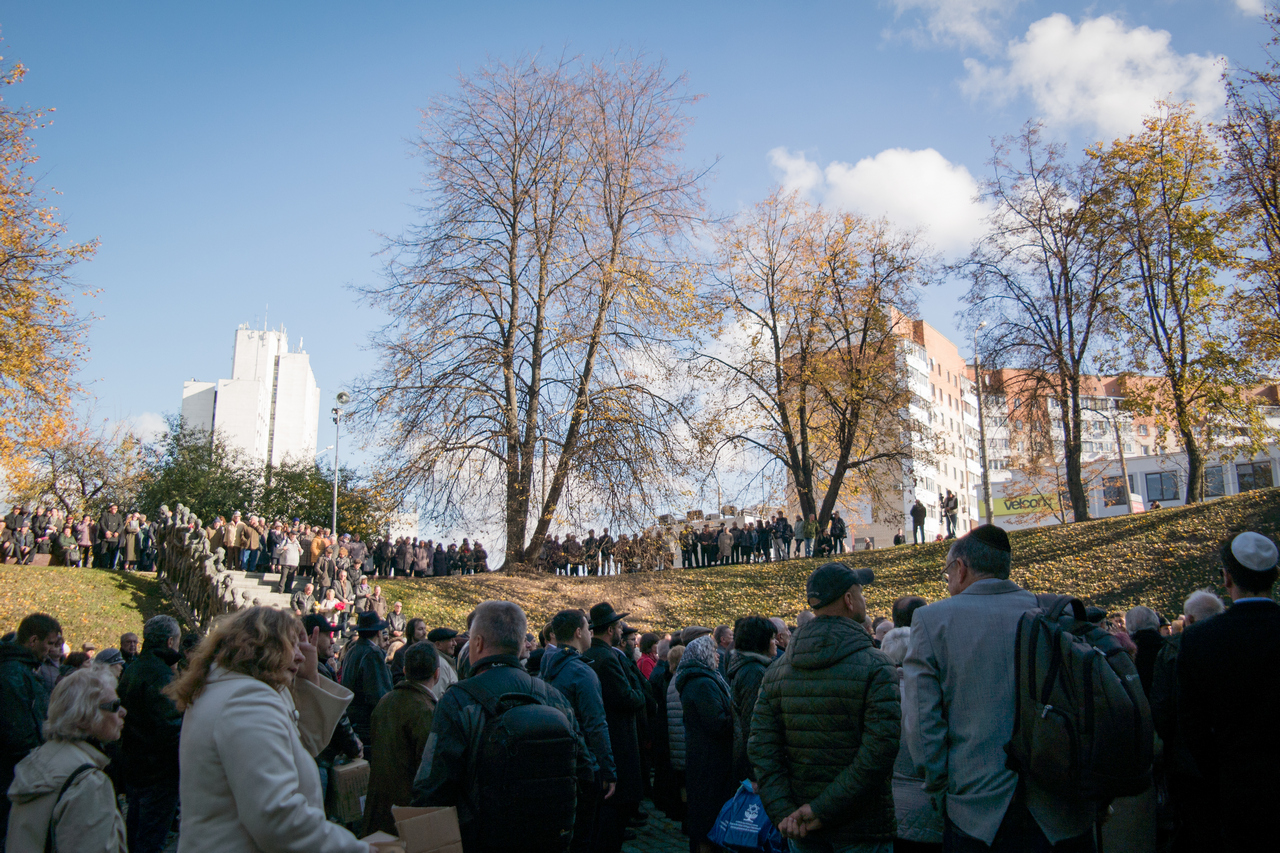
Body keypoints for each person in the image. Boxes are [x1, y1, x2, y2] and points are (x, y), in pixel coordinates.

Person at [903, 525, 1095, 852]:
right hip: (1062, 806)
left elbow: (923, 724)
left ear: (960, 568)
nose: (948, 580)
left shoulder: (932, 621)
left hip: (976, 811)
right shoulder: (1054, 611)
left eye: (948, 572)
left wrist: (938, 785)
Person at [164, 606, 371, 853]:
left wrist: (309, 679)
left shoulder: (232, 690)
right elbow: (277, 817)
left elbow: (305, 746)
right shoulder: (246, 700)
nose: (301, 655)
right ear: (263, 646)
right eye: (292, 645)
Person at [411, 600, 592, 853]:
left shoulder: (458, 700)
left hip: (483, 839)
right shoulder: (552, 696)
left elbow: (431, 788)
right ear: (520, 645)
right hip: (548, 838)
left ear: (478, 643)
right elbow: (584, 769)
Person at [749, 563, 899, 853]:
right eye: (861, 593)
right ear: (849, 599)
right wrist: (818, 810)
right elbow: (880, 751)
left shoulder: (777, 670)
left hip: (800, 827)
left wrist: (786, 812)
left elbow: (762, 748)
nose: (864, 600)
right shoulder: (877, 664)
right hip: (861, 828)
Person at [1178, 531, 1280, 851]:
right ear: (1274, 577)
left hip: (1237, 787)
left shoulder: (1200, 639)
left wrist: (1218, 775)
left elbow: (1191, 726)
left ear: (1226, 578)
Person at [4, 667, 127, 852]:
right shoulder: (88, 782)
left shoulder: (41, 758)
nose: (123, 711)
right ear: (85, 716)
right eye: (114, 705)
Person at [1149, 589, 1223, 853]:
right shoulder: (1232, 641)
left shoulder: (1172, 650)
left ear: (1188, 620)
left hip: (1186, 758)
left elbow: (1161, 707)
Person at [542, 609, 616, 853]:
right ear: (577, 632)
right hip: (584, 765)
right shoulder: (582, 672)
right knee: (585, 838)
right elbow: (596, 725)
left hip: (557, 761)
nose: (590, 633)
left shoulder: (547, 665)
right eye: (587, 628)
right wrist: (608, 770)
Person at [582, 602, 647, 853]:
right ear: (610, 630)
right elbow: (629, 698)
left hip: (605, 741)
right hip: (618, 743)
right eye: (619, 626)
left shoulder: (591, 654)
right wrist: (639, 694)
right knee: (612, 823)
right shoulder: (607, 658)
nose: (622, 630)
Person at [117, 615, 184, 853]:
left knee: (135, 831)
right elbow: (171, 727)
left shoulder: (133, 668)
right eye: (177, 641)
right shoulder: (161, 675)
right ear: (169, 642)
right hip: (158, 772)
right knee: (150, 838)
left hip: (135, 764)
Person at [362, 642, 439, 837]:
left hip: (378, 812)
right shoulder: (427, 711)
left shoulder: (385, 701)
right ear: (437, 674)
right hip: (405, 817)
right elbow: (426, 771)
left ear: (405, 671)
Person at [0, 612, 60, 846]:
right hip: (14, 775)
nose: (52, 649)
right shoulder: (13, 673)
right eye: (50, 643)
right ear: (34, 640)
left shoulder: (22, 669)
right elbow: (17, 731)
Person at [677, 635, 736, 853]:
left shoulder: (703, 679)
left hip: (705, 757)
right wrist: (736, 716)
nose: (717, 657)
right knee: (707, 817)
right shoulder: (702, 683)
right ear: (702, 655)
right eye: (712, 653)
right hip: (709, 761)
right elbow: (717, 724)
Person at [726, 616, 776, 782]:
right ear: (761, 641)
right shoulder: (754, 672)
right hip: (753, 764)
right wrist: (754, 772)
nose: (775, 643)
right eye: (772, 638)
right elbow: (752, 722)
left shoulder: (748, 667)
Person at [339, 611, 393, 757]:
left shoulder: (353, 650)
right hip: (367, 724)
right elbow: (379, 694)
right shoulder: (372, 654)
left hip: (354, 719)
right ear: (378, 633)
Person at [426, 627, 459, 697]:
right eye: (451, 640)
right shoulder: (440, 664)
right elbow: (438, 695)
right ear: (438, 645)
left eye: (454, 640)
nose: (455, 644)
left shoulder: (441, 661)